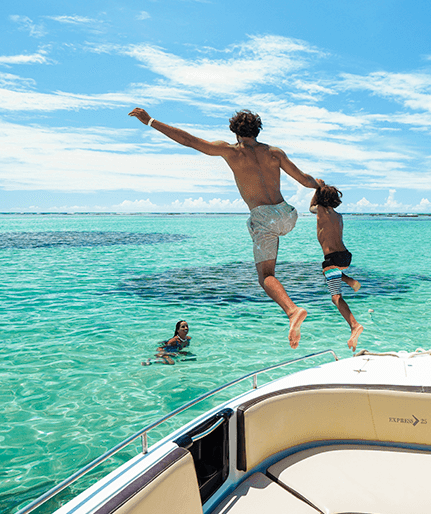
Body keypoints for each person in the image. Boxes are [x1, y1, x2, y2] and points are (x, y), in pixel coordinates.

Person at [130, 107, 323, 349]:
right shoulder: (275, 153)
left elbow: (190, 141)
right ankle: (292, 309)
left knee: (267, 276)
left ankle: (293, 311)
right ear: (257, 130)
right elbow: (306, 180)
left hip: (264, 217)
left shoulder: (232, 151)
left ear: (234, 132)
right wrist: (320, 185)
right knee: (270, 232)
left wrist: (150, 121)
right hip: (287, 215)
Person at [310, 184, 363, 350]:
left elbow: (311, 206)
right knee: (327, 272)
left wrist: (316, 189)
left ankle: (354, 325)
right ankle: (350, 281)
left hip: (332, 259)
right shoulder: (339, 216)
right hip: (345, 257)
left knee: (336, 297)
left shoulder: (320, 211)